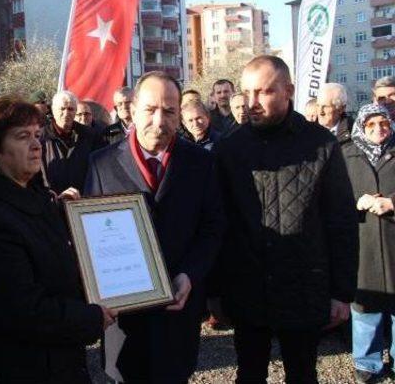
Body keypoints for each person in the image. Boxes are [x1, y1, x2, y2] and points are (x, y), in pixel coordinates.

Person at [213, 55, 358, 384]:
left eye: (263, 92)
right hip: (247, 288)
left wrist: (342, 293)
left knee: (303, 373)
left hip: (304, 288)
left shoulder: (321, 144)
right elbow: (219, 224)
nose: (252, 103)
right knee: (249, 374)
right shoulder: (229, 148)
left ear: (288, 90)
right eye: (247, 93)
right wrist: (216, 292)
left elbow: (341, 222)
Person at [85, 71, 224, 383]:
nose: (159, 121)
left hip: (179, 311)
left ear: (180, 114)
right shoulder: (100, 163)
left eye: (169, 111)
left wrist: (190, 275)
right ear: (132, 110)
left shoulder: (201, 163)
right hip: (124, 318)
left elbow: (213, 228)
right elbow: (92, 236)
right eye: (150, 109)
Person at [0, 98, 116, 383]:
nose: (36, 144)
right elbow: (23, 309)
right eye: (22, 137)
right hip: (31, 367)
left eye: (37, 135)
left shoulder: (39, 196)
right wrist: (90, 318)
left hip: (63, 358)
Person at [341, 103, 395, 383]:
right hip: (363, 242)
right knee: (365, 305)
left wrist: (392, 202)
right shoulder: (346, 153)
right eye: (371, 125)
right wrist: (357, 201)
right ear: (362, 126)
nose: (378, 130)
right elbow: (333, 197)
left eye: (383, 124)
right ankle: (367, 363)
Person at [41, 91, 103, 193]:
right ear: (53, 111)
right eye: (62, 109)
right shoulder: (41, 138)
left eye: (70, 109)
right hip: (51, 202)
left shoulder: (91, 136)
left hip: (83, 200)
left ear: (75, 111)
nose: (66, 113)